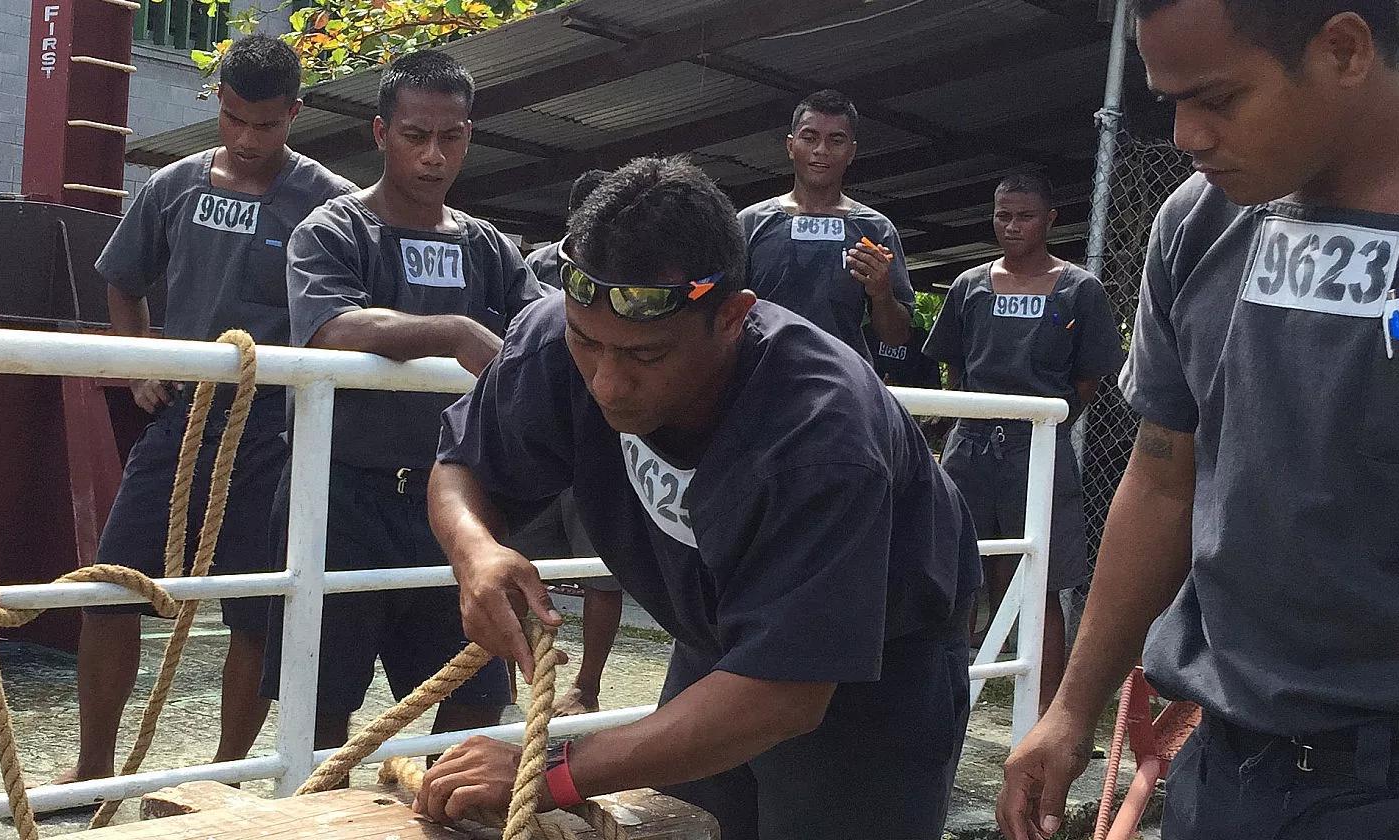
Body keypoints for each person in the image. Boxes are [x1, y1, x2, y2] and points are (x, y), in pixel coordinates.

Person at [998, 2, 1399, 839]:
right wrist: (1073, 708)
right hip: (1229, 772)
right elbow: (1161, 476)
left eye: (1217, 100)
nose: (1185, 134)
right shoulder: (1199, 221)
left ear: (1343, 48)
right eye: (1169, 101)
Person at [420, 157, 980, 840]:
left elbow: (784, 696)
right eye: (587, 343)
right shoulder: (555, 342)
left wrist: (552, 771)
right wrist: (476, 553)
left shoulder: (821, 433)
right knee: (681, 826)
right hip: (718, 643)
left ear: (732, 318)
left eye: (646, 357)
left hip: (872, 677)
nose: (607, 385)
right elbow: (459, 468)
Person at [62, 35, 356, 783]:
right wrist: (140, 366)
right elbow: (122, 282)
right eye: (233, 120)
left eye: (267, 125)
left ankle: (223, 775)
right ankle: (93, 766)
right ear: (217, 104)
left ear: (294, 112)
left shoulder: (330, 202)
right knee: (111, 588)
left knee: (255, 607)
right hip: (181, 422)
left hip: (277, 432)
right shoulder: (175, 186)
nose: (248, 139)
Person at [268, 50, 538, 753]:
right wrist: (454, 331)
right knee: (321, 705)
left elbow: (543, 330)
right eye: (416, 136)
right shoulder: (333, 229)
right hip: (340, 499)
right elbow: (329, 328)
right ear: (381, 133)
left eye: (450, 137)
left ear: (468, 136)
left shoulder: (489, 247)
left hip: (454, 503)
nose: (433, 155)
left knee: (475, 697)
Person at [924, 174, 1124, 711]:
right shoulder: (969, 285)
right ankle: (943, 697)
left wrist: (1044, 422)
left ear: (1050, 220)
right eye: (1003, 216)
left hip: (1038, 444)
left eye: (1025, 216)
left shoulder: (1079, 288)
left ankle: (1044, 713)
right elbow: (952, 362)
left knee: (1043, 581)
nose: (1012, 227)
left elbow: (1090, 378)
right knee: (959, 569)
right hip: (969, 445)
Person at [504, 166, 622, 717]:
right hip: (543, 438)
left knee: (603, 571)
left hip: (606, 440)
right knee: (511, 560)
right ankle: (517, 672)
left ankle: (589, 685)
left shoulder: (635, 273)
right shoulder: (538, 268)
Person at [736, 89, 916, 371]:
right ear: (790, 145)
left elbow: (896, 336)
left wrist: (881, 292)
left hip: (843, 385)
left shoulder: (875, 229)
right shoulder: (750, 223)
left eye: (836, 140)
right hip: (760, 382)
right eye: (810, 138)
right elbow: (720, 314)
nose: (821, 150)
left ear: (852, 152)